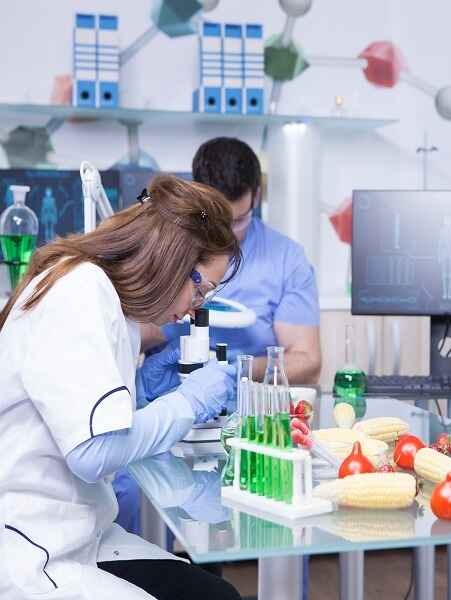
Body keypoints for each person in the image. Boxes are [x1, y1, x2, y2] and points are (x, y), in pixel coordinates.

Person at [0, 175, 242, 600]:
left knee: (216, 595)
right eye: (201, 286)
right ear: (171, 258)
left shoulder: (105, 296)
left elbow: (81, 409)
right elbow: (92, 452)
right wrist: (188, 401)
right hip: (32, 547)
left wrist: (145, 390)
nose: (196, 307)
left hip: (78, 531)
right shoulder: (80, 290)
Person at [140, 136, 321, 385]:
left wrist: (231, 370)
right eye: (215, 218)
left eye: (237, 221)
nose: (225, 232)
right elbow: (125, 335)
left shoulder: (287, 259)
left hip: (247, 403)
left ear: (256, 197)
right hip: (164, 398)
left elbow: (307, 361)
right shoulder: (161, 243)